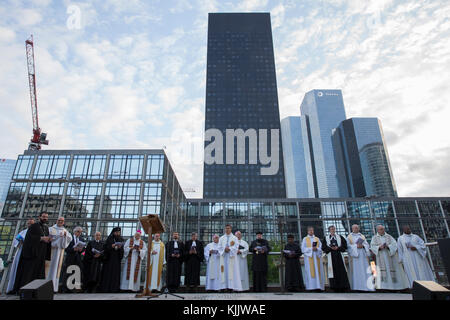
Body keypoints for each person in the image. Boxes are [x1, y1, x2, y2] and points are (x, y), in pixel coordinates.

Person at [13, 212, 52, 293]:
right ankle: (25, 291)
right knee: (29, 273)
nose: (45, 218)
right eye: (43, 217)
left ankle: (37, 291)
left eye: (46, 217)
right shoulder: (34, 226)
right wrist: (41, 238)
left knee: (39, 273)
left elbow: (45, 238)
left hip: (41, 255)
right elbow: (29, 238)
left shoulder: (46, 228)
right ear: (39, 217)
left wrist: (49, 240)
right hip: (32, 254)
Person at [370, 225, 409, 291]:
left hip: (390, 257)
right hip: (381, 257)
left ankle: (395, 287)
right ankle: (383, 287)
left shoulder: (389, 237)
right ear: (377, 230)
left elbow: (395, 245)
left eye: (383, 229)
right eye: (380, 229)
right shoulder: (374, 238)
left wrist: (388, 246)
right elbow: (372, 246)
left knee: (392, 270)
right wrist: (379, 247)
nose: (382, 230)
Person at [6, 218, 34, 294]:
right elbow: (16, 241)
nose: (30, 225)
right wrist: (20, 242)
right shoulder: (22, 232)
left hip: (29, 254)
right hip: (21, 251)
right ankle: (13, 287)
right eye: (29, 223)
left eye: (31, 224)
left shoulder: (35, 233)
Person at [46, 217, 72, 292]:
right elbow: (50, 238)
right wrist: (58, 237)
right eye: (59, 220)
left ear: (64, 222)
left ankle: (54, 287)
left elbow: (70, 238)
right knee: (49, 269)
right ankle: (46, 286)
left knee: (57, 270)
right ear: (56, 221)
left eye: (62, 221)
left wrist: (65, 235)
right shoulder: (51, 229)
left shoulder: (65, 230)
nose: (60, 222)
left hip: (60, 251)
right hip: (51, 250)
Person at [322, 225, 350, 292]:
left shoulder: (340, 237)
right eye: (331, 229)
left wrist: (338, 248)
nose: (333, 230)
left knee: (341, 271)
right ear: (329, 230)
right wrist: (330, 248)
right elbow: (323, 247)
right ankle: (334, 287)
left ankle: (343, 287)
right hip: (331, 256)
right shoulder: (326, 238)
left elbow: (345, 246)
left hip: (339, 256)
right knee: (332, 272)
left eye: (334, 229)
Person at [346, 224, 374, 292]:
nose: (356, 229)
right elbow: (348, 247)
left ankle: (366, 287)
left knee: (365, 271)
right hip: (355, 257)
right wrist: (356, 246)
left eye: (357, 228)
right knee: (357, 272)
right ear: (352, 229)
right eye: (355, 228)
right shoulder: (349, 237)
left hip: (363, 256)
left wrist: (363, 246)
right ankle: (357, 287)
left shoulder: (362, 236)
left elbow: (367, 244)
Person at [218, 225, 242, 292]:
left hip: (231, 258)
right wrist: (224, 249)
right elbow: (219, 247)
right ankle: (223, 287)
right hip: (224, 257)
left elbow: (236, 246)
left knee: (232, 272)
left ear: (231, 229)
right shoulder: (221, 238)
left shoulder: (234, 238)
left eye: (228, 228)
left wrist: (230, 249)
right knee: (223, 271)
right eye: (226, 228)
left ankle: (230, 287)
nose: (227, 230)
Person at [99, 227, 124, 293]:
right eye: (116, 232)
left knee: (115, 274)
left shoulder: (121, 239)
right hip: (109, 259)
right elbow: (105, 248)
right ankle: (106, 288)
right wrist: (111, 246)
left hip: (116, 259)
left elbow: (122, 250)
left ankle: (114, 288)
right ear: (113, 232)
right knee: (108, 273)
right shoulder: (109, 239)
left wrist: (120, 248)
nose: (117, 233)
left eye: (119, 232)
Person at [62, 226, 86, 292]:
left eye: (81, 232)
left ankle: (74, 288)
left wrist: (81, 250)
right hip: (70, 257)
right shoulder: (70, 238)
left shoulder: (81, 239)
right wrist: (73, 249)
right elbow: (66, 248)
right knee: (67, 272)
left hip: (78, 258)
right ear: (74, 231)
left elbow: (83, 248)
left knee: (77, 272)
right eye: (78, 231)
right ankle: (65, 288)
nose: (80, 233)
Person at [301, 226, 325, 291]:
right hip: (309, 258)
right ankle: (310, 287)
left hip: (316, 258)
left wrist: (316, 248)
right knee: (310, 272)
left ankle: (318, 287)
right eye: (310, 230)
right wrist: (311, 249)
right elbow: (303, 249)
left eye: (312, 230)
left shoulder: (317, 239)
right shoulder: (305, 239)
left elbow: (321, 248)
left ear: (313, 231)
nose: (311, 232)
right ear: (308, 231)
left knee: (318, 272)